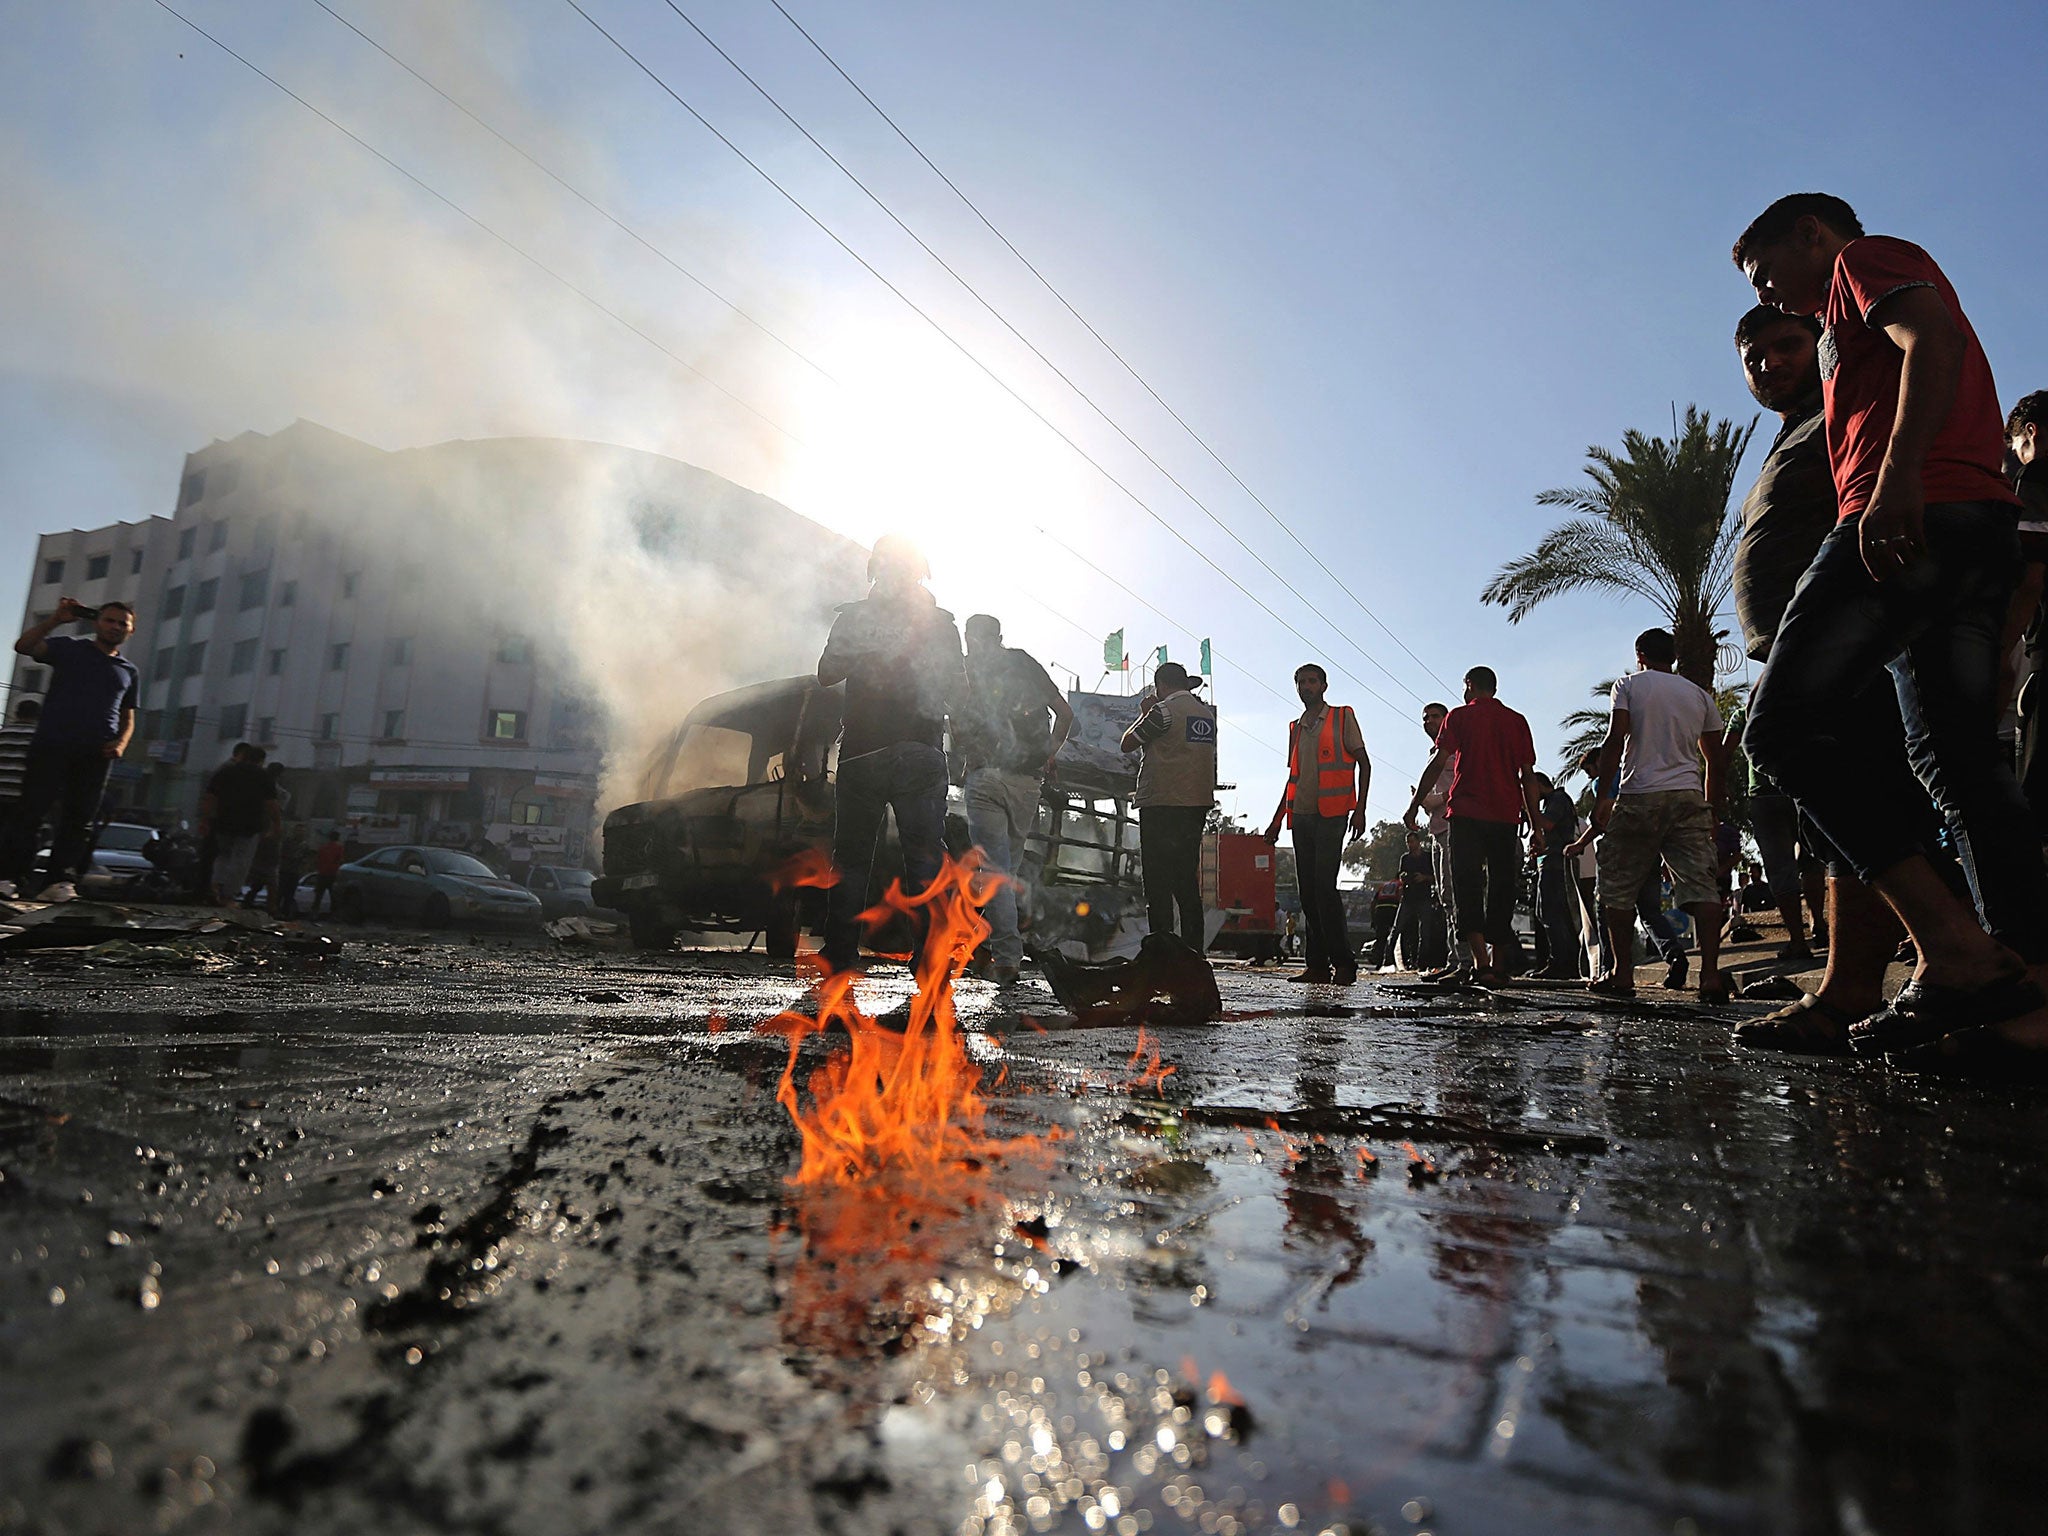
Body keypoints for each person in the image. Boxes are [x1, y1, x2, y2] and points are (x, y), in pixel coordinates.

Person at [1735, 192, 2048, 1054]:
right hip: (1963, 527)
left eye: (1768, 273)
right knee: (1958, 765)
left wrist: (1898, 479)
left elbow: (1934, 341)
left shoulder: (1858, 265)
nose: (1772, 295)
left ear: (1810, 234)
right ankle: (2032, 1002)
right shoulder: (1841, 322)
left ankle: (1953, 952)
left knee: (1783, 728)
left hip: (1917, 520)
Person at [816, 535, 965, 972]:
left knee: (852, 858)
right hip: (919, 750)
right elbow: (959, 693)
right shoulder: (941, 624)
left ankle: (841, 954)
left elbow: (826, 673)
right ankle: (931, 960)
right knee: (924, 856)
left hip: (862, 751)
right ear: (920, 572)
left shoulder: (855, 618)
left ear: (875, 570)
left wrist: (867, 650)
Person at [1586, 629, 1727, 1001]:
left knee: (1616, 886)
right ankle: (1711, 977)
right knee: (1702, 885)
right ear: (1675, 657)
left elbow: (1615, 739)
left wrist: (1605, 795)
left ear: (1640, 654)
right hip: (1687, 797)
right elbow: (1715, 759)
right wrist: (1712, 810)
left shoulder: (1628, 685)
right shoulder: (1699, 696)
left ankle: (1621, 974)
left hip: (1639, 796)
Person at [1403, 667, 1542, 985]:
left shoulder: (1459, 717)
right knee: (1502, 887)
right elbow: (1528, 776)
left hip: (1466, 815)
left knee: (1466, 888)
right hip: (1505, 815)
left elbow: (1438, 761)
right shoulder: (1516, 721)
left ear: (1469, 686)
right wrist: (1536, 826)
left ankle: (1481, 962)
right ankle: (1499, 962)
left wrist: (1414, 804)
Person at [957, 613, 1075, 984]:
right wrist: (1050, 752)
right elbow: (1066, 714)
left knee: (995, 873)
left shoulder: (964, 671)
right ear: (1000, 636)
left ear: (968, 637)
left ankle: (1006, 957)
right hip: (1027, 782)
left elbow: (954, 723)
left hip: (985, 778)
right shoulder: (1023, 662)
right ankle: (991, 946)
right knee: (1001, 871)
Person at [0, 599, 139, 902]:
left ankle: (59, 881)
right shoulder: (70, 648)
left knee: (79, 820)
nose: (115, 627)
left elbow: (128, 715)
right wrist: (55, 620)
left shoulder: (128, 671)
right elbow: (24, 647)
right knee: (31, 812)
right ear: (97, 623)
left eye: (122, 623)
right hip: (53, 744)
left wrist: (121, 742)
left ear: (130, 630)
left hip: (96, 753)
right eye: (109, 620)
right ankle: (9, 877)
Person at [1263, 664, 1371, 985]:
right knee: (1308, 893)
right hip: (1303, 816)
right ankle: (1317, 965)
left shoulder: (1341, 717)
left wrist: (1360, 809)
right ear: (1296, 687)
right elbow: (1293, 777)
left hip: (1334, 814)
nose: (1307, 686)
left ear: (1324, 686)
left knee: (1324, 887)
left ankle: (1344, 964)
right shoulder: (1296, 727)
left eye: (1312, 681)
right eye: (1301, 682)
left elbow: (1364, 763)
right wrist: (1276, 820)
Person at [1120, 661, 1217, 947]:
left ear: (1161, 685)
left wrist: (1145, 712)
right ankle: (1193, 953)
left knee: (1158, 881)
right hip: (1196, 804)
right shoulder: (1205, 714)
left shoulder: (1162, 711)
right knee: (1186, 881)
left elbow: (1128, 742)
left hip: (1161, 804)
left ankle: (1162, 951)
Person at [201, 743, 281, 906]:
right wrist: (277, 824)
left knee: (223, 856)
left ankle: (215, 886)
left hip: (223, 822)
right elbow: (271, 803)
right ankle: (228, 896)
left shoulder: (225, 772)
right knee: (241, 860)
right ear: (261, 761)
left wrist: (205, 819)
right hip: (249, 825)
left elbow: (210, 798)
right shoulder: (262, 776)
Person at [1530, 771, 1581, 978]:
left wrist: (1531, 810)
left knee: (1552, 912)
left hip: (1556, 863)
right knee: (1546, 912)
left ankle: (1562, 961)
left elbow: (1548, 824)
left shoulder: (1558, 799)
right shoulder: (1551, 802)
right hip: (1549, 861)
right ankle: (1562, 960)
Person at [1392, 830, 1435, 970]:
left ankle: (1422, 963)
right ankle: (1388, 959)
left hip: (1424, 896)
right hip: (1408, 897)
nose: (1410, 845)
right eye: (1408, 843)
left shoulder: (1427, 857)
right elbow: (1400, 875)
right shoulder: (1405, 859)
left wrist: (1424, 877)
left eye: (1412, 842)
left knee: (1425, 931)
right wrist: (1404, 877)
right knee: (1397, 928)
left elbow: (1435, 877)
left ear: (1418, 842)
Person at [0, 698, 40, 815]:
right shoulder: (39, 737)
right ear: (38, 716)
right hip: (22, 794)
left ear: (16, 714)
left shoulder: (3, 733)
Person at [312, 830, 347, 917]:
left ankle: (314, 914)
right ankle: (334, 915)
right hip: (332, 874)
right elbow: (341, 860)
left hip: (322, 874)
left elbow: (317, 860)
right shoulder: (339, 848)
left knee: (318, 896)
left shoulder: (323, 848)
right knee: (334, 897)